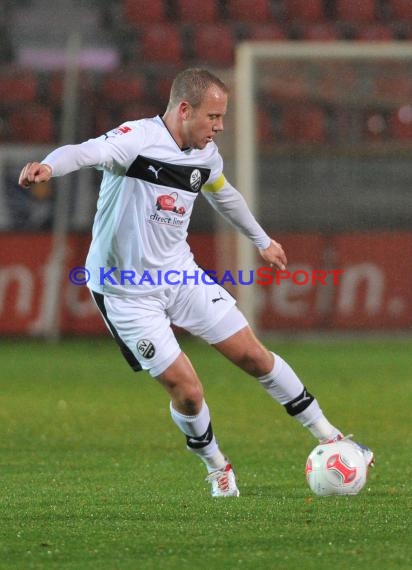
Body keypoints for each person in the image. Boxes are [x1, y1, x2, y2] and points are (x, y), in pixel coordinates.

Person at [19, 68, 374, 497]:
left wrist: (262, 241)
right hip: (125, 290)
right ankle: (217, 466)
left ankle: (331, 436)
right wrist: (48, 167)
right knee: (187, 392)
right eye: (214, 117)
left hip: (180, 275)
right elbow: (83, 151)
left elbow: (224, 194)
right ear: (184, 110)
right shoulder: (135, 140)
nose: (219, 127)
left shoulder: (206, 155)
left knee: (255, 357)